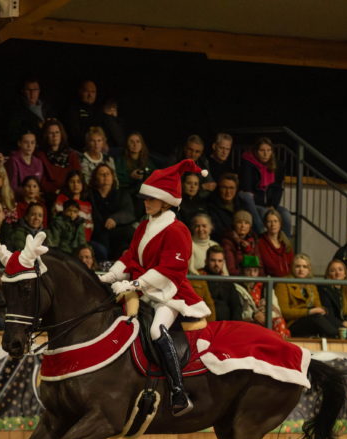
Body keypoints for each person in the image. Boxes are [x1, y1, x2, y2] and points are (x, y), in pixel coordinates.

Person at [99, 160, 213, 415]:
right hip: (144, 290)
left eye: (151, 198)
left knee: (155, 329)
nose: (145, 202)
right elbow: (130, 257)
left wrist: (134, 283)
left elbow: (170, 270)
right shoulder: (143, 226)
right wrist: (110, 277)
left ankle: (178, 391)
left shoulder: (178, 230)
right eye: (145, 198)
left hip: (168, 293)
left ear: (166, 202)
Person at [275, 254, 338, 337]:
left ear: (309, 270)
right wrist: (308, 312)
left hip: (312, 319)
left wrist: (322, 310)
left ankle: (346, 333)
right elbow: (284, 312)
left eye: (305, 267)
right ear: (292, 268)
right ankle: (337, 336)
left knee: (326, 316)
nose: (301, 269)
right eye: (297, 266)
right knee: (316, 317)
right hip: (293, 323)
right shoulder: (283, 284)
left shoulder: (311, 285)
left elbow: (318, 306)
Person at [240, 137, 293, 236]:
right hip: (255, 204)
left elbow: (277, 189)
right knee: (266, 214)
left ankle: (284, 243)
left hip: (270, 204)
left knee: (285, 214)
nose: (266, 154)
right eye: (262, 150)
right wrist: (265, 204)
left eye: (269, 150)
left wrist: (273, 205)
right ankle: (265, 239)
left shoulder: (277, 165)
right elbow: (248, 190)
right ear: (256, 151)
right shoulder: (248, 164)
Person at [88, 162, 135, 261]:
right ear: (95, 178)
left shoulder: (122, 194)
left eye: (108, 173)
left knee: (130, 233)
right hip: (100, 232)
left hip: (119, 231)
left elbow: (129, 213)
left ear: (112, 177)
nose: (105, 176)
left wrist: (115, 218)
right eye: (101, 174)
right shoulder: (90, 196)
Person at [234, 255, 288, 336]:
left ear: (259, 271)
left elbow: (278, 313)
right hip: (248, 322)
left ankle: (276, 343)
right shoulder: (237, 288)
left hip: (266, 321)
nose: (252, 274)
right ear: (243, 271)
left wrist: (267, 310)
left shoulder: (267, 286)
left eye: (255, 270)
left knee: (279, 322)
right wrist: (253, 315)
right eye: (248, 270)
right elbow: (236, 315)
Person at [206, 172, 262, 241]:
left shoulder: (241, 203)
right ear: (218, 188)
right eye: (224, 187)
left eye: (231, 188)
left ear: (236, 189)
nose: (228, 192)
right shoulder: (211, 206)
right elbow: (218, 233)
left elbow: (252, 226)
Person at [192, 246, 241, 321]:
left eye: (219, 261)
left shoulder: (227, 281)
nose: (216, 264)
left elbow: (236, 306)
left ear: (223, 262)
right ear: (206, 261)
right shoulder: (198, 279)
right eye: (213, 260)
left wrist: (234, 325)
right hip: (205, 322)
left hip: (227, 324)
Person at [37, 118, 80, 200]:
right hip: (50, 196)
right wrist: (58, 191)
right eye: (51, 133)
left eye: (57, 132)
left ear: (61, 134)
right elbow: (43, 183)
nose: (55, 136)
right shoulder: (40, 155)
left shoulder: (71, 155)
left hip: (70, 194)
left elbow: (79, 178)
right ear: (46, 136)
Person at [115, 132, 158, 216]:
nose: (135, 144)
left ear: (142, 145)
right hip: (126, 191)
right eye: (132, 142)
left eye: (138, 141)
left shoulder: (147, 161)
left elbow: (155, 175)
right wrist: (130, 176)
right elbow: (116, 178)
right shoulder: (121, 160)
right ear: (127, 144)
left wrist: (145, 177)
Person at [5, 77, 52, 144]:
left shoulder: (46, 107)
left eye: (35, 89)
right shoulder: (18, 111)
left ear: (39, 90)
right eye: (28, 90)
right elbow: (13, 134)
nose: (32, 93)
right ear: (23, 91)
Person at [61, 80, 105, 151]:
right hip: (78, 149)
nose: (90, 95)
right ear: (79, 92)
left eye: (93, 92)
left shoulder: (98, 111)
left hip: (96, 147)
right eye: (87, 91)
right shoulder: (72, 109)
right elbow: (74, 135)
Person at [53, 170, 93, 239]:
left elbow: (89, 226)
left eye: (79, 181)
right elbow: (57, 221)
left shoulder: (87, 204)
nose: (76, 185)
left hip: (85, 241)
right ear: (67, 184)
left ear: (83, 184)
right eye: (72, 182)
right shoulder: (61, 199)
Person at [318, 259, 347, 336]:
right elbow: (329, 313)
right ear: (328, 274)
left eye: (340, 270)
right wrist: (342, 324)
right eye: (333, 271)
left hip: (346, 323)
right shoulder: (324, 289)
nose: (337, 273)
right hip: (333, 323)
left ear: (345, 274)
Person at [5, 131, 43, 198]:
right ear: (19, 143)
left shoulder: (38, 162)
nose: (29, 146)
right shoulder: (13, 161)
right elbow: (12, 187)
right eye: (26, 142)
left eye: (32, 142)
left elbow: (38, 185)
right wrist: (29, 193)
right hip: (18, 199)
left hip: (33, 198)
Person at [256, 209, 293, 277]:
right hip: (271, 280)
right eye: (270, 221)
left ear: (280, 224)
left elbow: (291, 264)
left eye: (275, 221)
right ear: (265, 225)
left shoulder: (285, 243)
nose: (273, 224)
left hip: (288, 280)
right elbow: (269, 266)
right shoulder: (260, 242)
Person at [222, 210, 258, 274]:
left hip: (253, 277)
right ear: (234, 225)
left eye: (246, 223)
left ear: (250, 226)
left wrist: (260, 279)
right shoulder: (228, 242)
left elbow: (260, 265)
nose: (243, 226)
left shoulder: (253, 240)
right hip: (239, 278)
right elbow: (231, 270)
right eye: (239, 222)